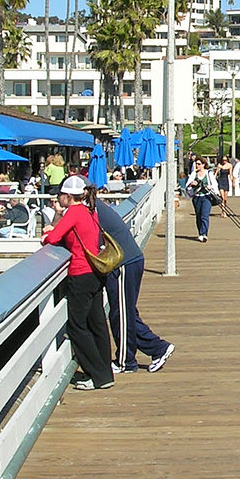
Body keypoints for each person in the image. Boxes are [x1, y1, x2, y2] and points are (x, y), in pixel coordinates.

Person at [41, 175, 113, 390]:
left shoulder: (73, 212)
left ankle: (97, 375)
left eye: (60, 195)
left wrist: (46, 236)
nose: (57, 199)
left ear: (67, 196)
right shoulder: (90, 211)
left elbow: (54, 238)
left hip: (80, 273)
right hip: (95, 272)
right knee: (97, 323)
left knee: (76, 327)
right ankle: (105, 373)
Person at [95, 187, 175, 374]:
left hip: (123, 263)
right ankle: (158, 348)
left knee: (120, 315)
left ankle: (126, 361)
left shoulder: (88, 210)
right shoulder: (95, 207)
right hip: (129, 260)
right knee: (125, 313)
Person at [184, 157, 218, 242]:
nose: (197, 165)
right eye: (196, 164)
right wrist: (192, 184)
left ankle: (204, 234)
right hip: (197, 197)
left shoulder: (208, 173)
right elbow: (187, 186)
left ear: (203, 164)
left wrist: (210, 187)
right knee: (198, 216)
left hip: (207, 196)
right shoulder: (193, 174)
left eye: (199, 164)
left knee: (204, 215)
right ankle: (200, 233)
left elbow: (214, 184)